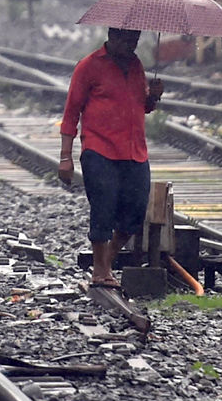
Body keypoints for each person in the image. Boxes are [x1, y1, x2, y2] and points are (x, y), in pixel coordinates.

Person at [57, 27, 164, 288]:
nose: (131, 46)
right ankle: (100, 270)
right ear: (112, 37)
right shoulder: (89, 66)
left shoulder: (137, 66)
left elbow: (141, 106)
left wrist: (154, 97)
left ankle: (106, 261)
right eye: (126, 40)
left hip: (134, 151)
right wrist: (65, 157)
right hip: (99, 149)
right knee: (103, 208)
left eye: (135, 41)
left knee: (136, 211)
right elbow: (71, 111)